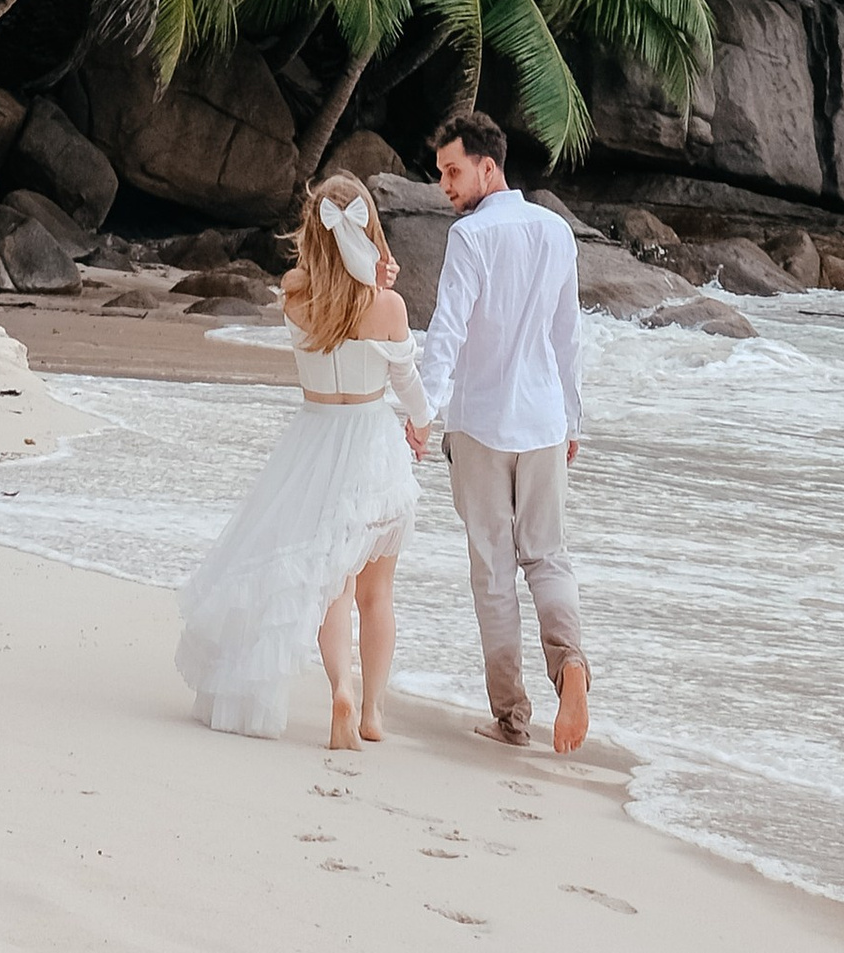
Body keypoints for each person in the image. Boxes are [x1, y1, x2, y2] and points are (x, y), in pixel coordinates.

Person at [174, 168, 433, 749]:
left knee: (332, 588)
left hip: (314, 443)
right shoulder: (386, 305)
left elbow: (314, 278)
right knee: (377, 593)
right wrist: (421, 425)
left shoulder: (295, 297)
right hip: (372, 448)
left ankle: (339, 686)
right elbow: (407, 381)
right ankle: (371, 712)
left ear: (311, 236)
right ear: (369, 234)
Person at [421, 109, 591, 754]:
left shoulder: (470, 239)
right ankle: (570, 663)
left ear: (488, 166)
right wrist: (573, 417)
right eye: (441, 174)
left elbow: (449, 329)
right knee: (547, 556)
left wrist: (423, 409)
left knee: (493, 572)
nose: (445, 185)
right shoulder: (555, 230)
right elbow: (567, 335)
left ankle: (512, 717)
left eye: (453, 171)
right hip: (546, 421)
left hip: (482, 425)